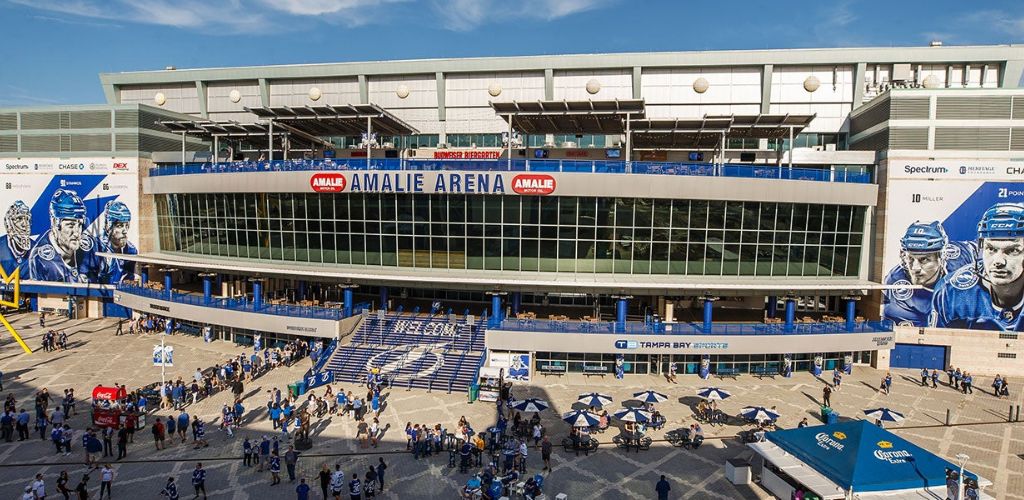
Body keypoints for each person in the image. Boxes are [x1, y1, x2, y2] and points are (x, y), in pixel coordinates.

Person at [931, 203, 1024, 330]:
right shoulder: (951, 292)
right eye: (991, 249)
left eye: (1012, 251)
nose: (998, 261)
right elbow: (936, 346)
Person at [884, 221, 975, 326]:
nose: (915, 268)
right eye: (910, 258)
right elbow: (918, 337)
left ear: (942, 257)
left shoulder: (959, 255)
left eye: (924, 259)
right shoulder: (897, 287)